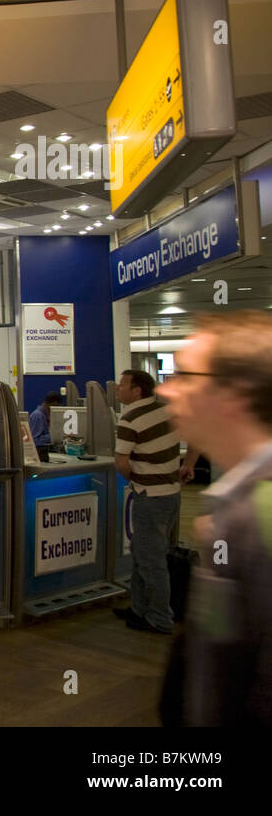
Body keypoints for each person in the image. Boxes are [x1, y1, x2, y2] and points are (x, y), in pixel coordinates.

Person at [157, 311, 272, 726]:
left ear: (234, 395)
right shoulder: (232, 507)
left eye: (186, 376)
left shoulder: (259, 517)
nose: (167, 390)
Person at [112, 369, 181, 634]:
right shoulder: (165, 410)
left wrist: (137, 480)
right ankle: (139, 608)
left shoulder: (129, 419)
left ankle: (160, 618)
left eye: (122, 385)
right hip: (171, 493)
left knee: (151, 561)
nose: (118, 389)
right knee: (143, 554)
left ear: (137, 390)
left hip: (150, 497)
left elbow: (121, 462)